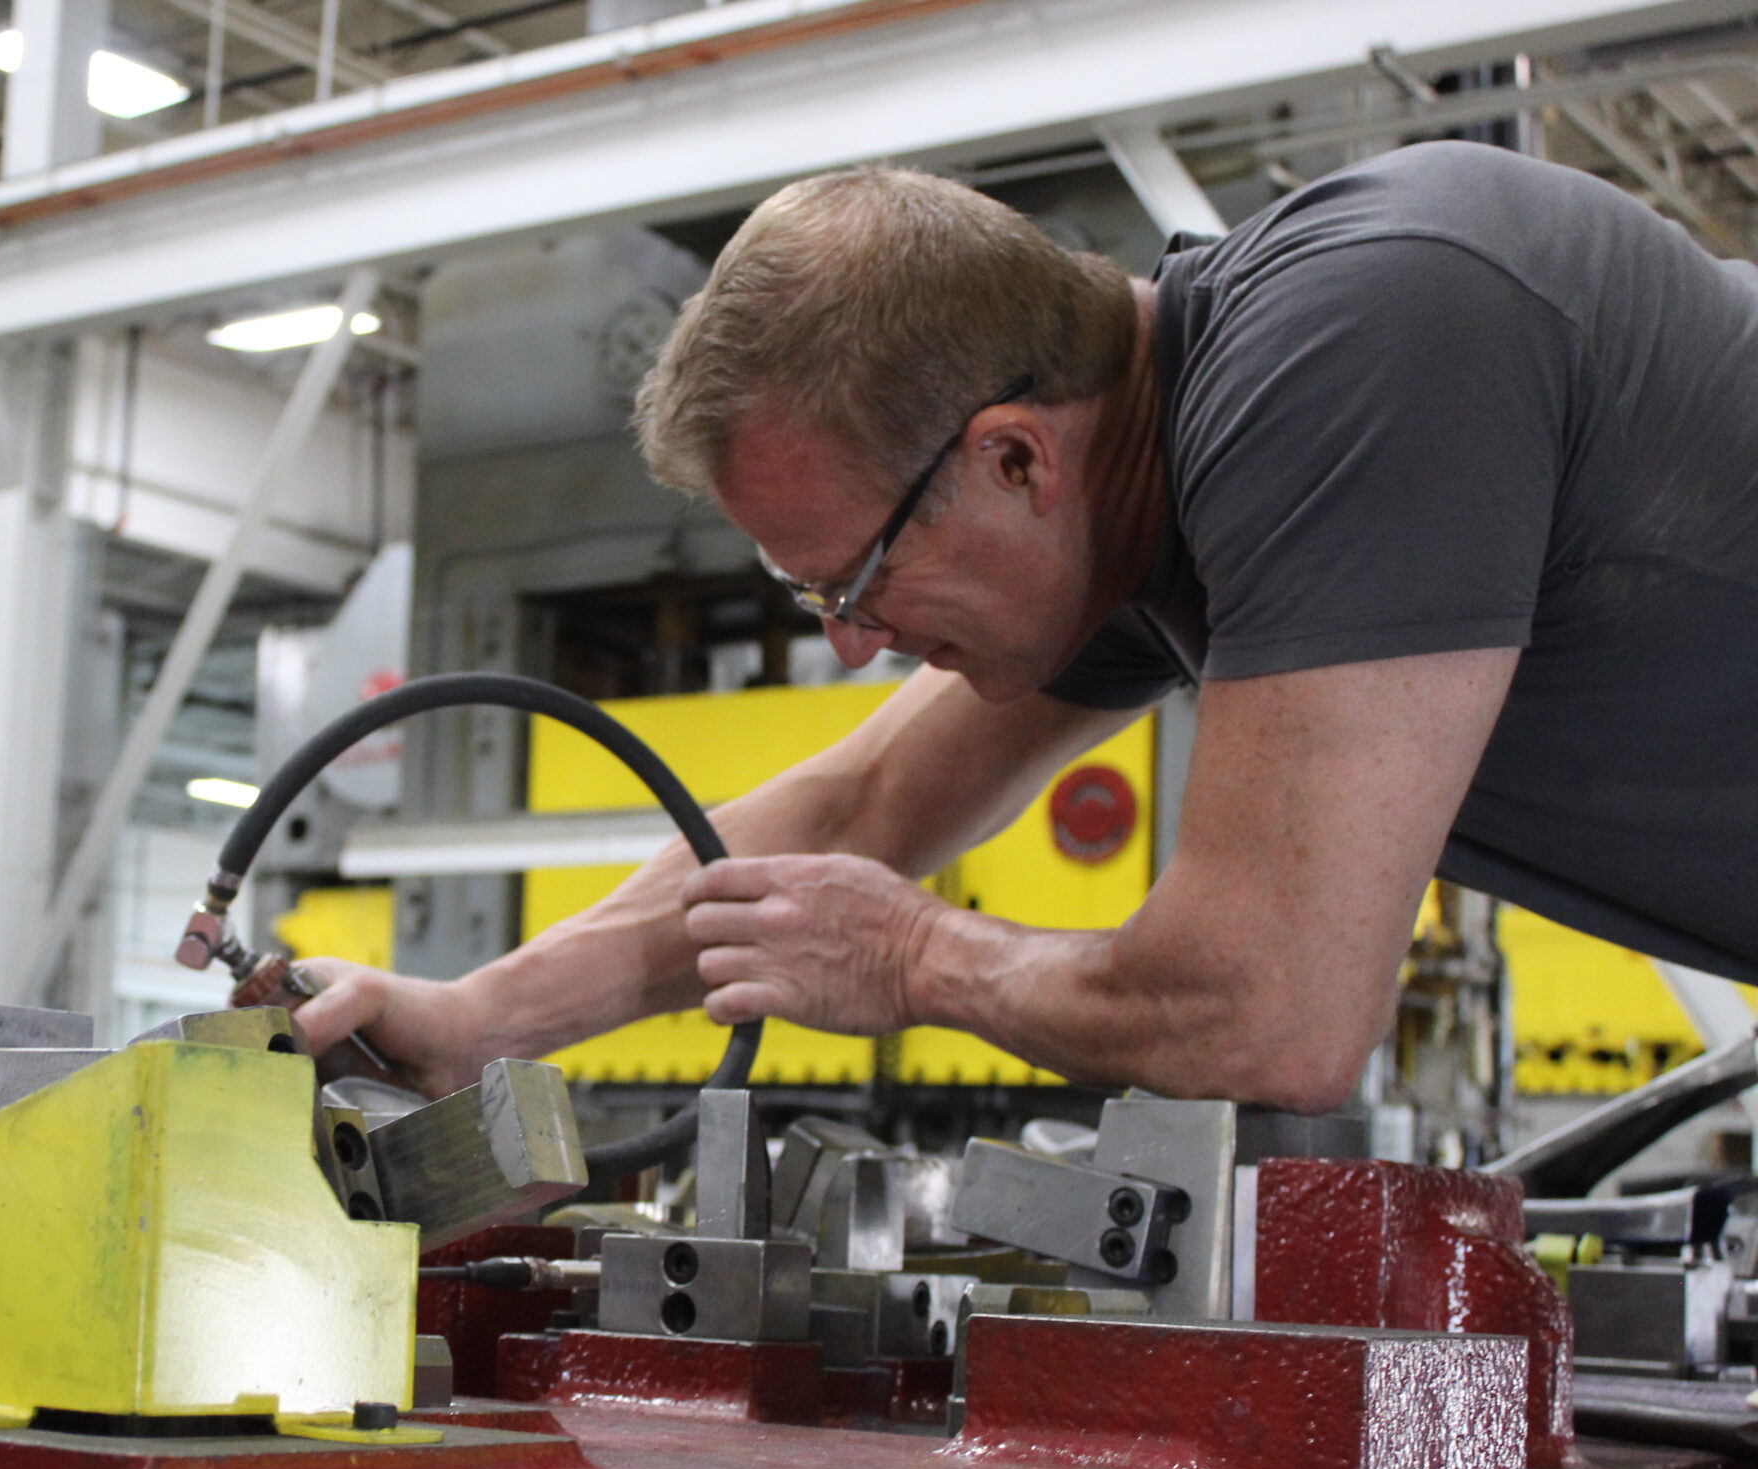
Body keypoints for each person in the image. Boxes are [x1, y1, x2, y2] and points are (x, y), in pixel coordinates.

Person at [294, 140, 1758, 1112]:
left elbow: (1275, 1012)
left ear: (1014, 457)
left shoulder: (1364, 336)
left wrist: (924, 960)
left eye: (855, 583)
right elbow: (854, 805)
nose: (854, 643)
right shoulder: (1149, 516)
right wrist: (477, 1021)